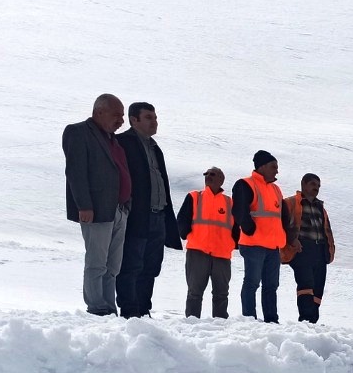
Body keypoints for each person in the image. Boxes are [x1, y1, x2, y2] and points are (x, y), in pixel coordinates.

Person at [62, 93, 131, 315]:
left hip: (118, 210)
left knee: (113, 266)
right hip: (96, 211)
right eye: (116, 115)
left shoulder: (113, 140)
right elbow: (76, 172)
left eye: (122, 116)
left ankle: (109, 308)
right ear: (99, 112)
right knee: (97, 262)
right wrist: (84, 205)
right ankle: (97, 306)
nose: (121, 121)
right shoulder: (78, 132)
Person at [115, 102, 180, 317]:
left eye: (155, 117)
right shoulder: (123, 143)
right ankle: (130, 311)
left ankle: (144, 310)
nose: (155, 121)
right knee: (131, 265)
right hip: (136, 217)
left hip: (158, 216)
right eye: (149, 117)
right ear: (134, 120)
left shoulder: (154, 147)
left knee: (151, 267)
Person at [232, 151, 285, 322]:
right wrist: (249, 229)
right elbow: (239, 211)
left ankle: (271, 319)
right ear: (261, 167)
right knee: (252, 283)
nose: (276, 171)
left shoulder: (276, 189)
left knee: (271, 286)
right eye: (273, 167)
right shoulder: (245, 184)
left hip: (273, 246)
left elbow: (281, 216)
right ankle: (249, 319)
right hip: (253, 244)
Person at [177, 167, 234, 318]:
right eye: (206, 174)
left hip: (222, 255)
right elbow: (182, 221)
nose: (208, 177)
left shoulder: (229, 202)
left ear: (221, 179)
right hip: (198, 252)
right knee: (195, 293)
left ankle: (220, 326)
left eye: (212, 174)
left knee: (221, 294)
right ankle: (192, 324)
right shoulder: (194, 197)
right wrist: (186, 234)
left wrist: (232, 244)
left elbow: (237, 228)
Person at [284, 173, 336, 323]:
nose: (316, 188)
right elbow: (283, 225)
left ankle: (313, 320)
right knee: (306, 284)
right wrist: (292, 240)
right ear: (304, 184)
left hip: (320, 250)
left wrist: (329, 250)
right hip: (301, 249)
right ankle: (305, 320)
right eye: (313, 184)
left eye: (318, 186)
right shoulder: (291, 203)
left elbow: (327, 230)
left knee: (318, 288)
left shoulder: (321, 207)